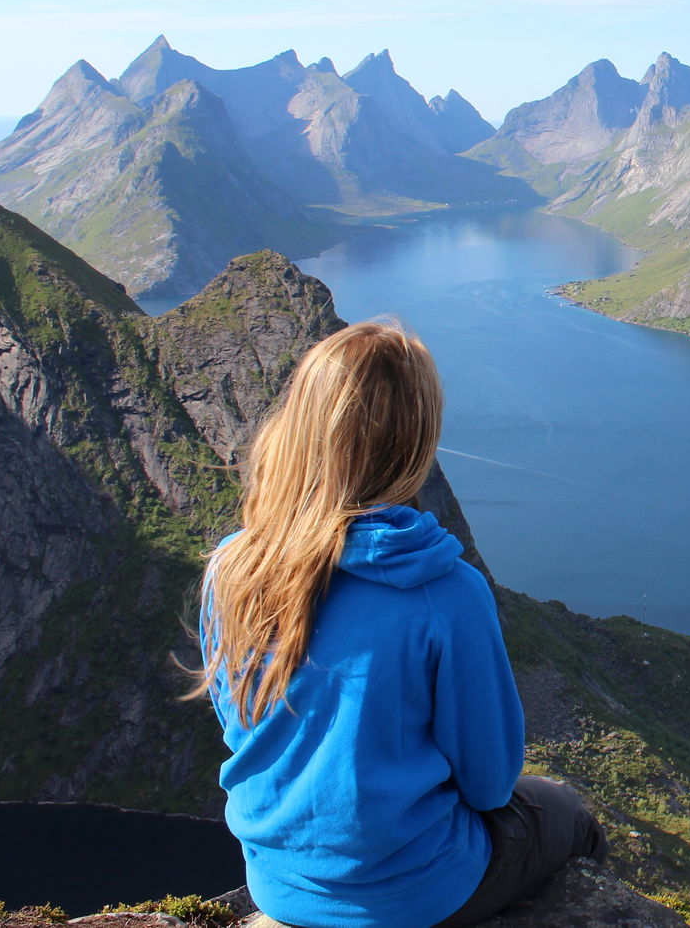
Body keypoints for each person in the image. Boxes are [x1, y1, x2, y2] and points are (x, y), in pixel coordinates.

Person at [189, 320, 607, 928]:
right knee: (566, 813)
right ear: (415, 442)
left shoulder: (233, 568)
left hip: (277, 883)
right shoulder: (443, 592)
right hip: (412, 894)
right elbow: (490, 785)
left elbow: (243, 728)